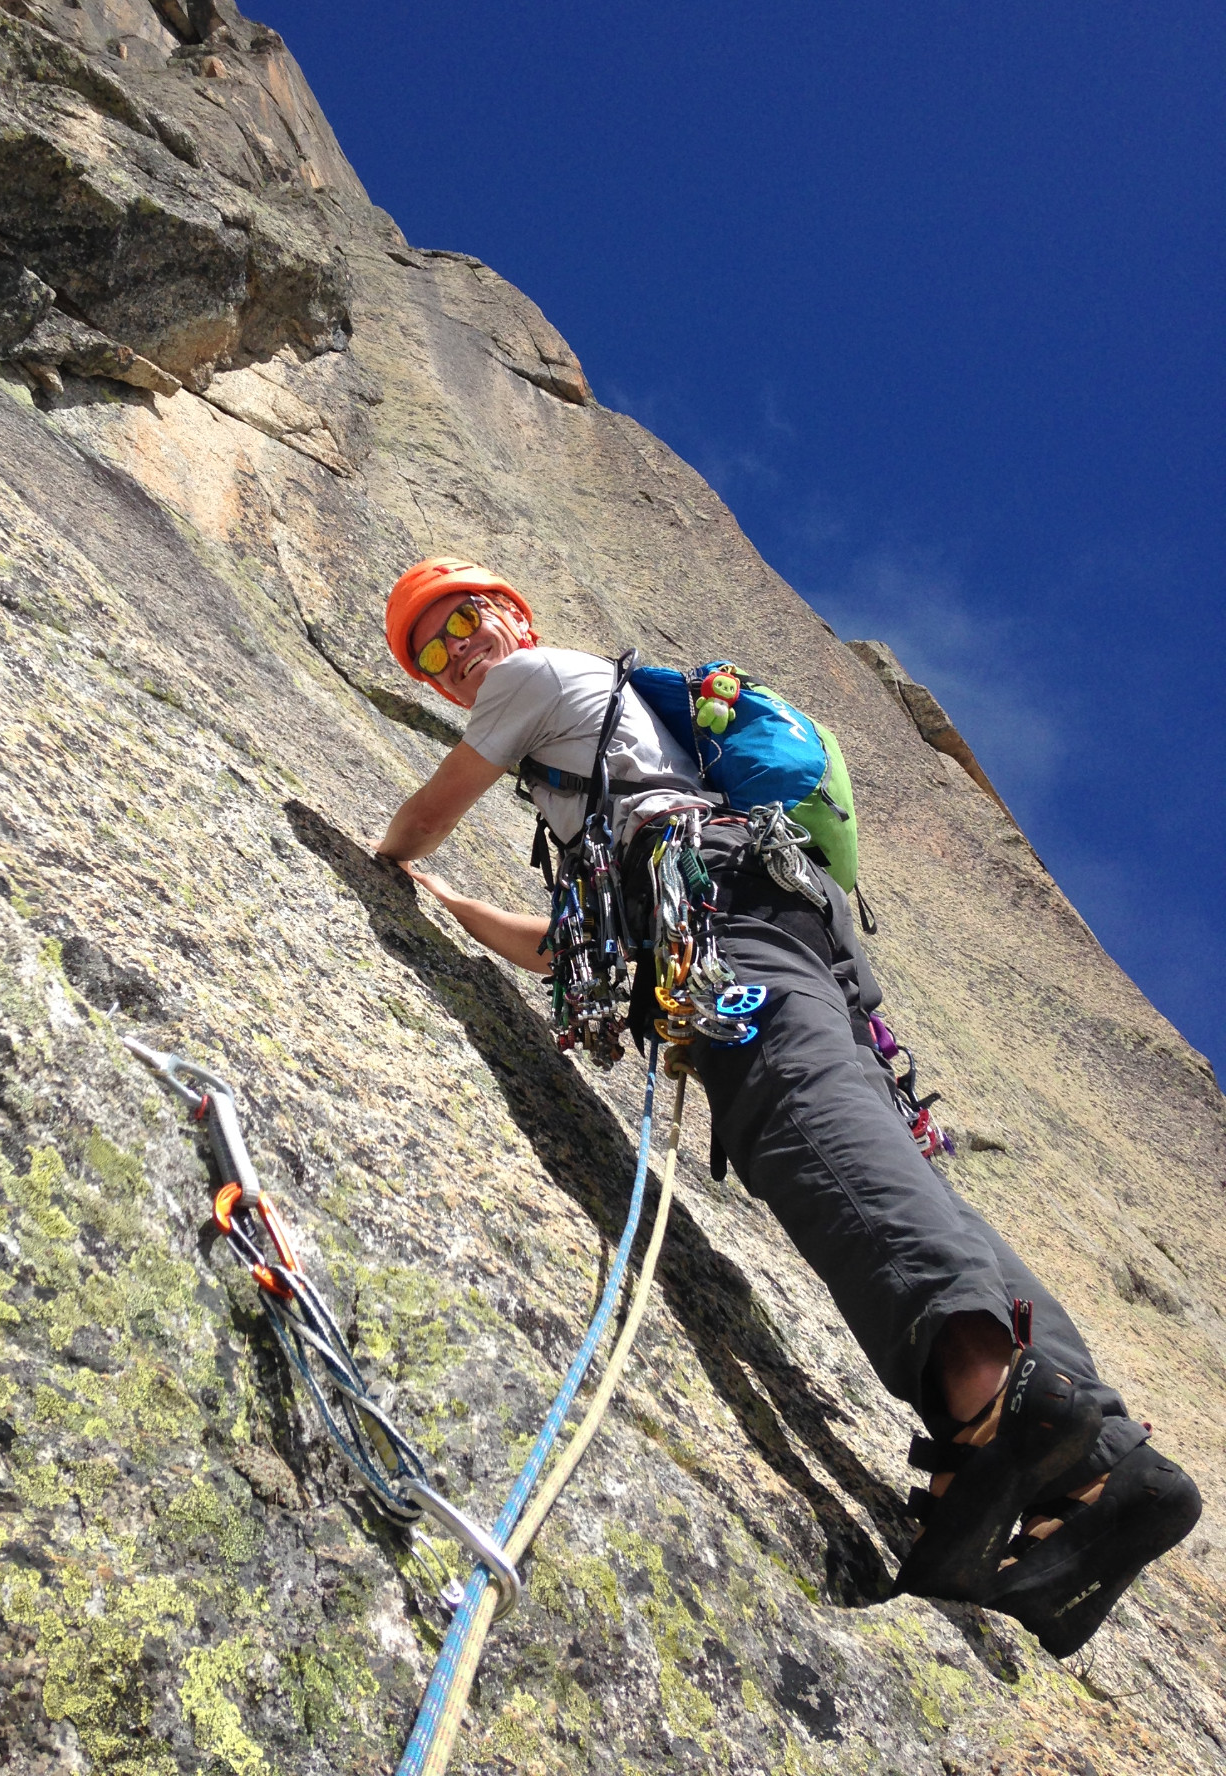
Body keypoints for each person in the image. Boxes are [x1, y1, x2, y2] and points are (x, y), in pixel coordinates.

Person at [375, 555, 1200, 1653]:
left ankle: (990, 1396)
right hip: (768, 921)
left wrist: (385, 860)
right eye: (435, 650)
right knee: (883, 1154)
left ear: (512, 614)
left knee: (797, 1122)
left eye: (467, 619)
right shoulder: (602, 753)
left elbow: (428, 811)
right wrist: (459, 907)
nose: (460, 649)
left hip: (734, 927)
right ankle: (1087, 1455)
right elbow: (577, 950)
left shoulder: (534, 676)